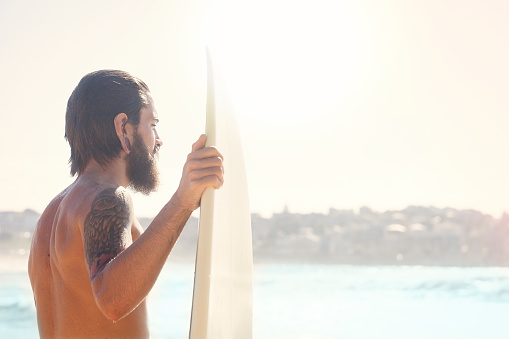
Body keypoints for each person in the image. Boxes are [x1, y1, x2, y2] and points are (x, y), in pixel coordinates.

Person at [28, 70, 224, 338]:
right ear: (123, 129)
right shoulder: (107, 198)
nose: (159, 140)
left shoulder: (47, 221)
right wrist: (182, 202)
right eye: (152, 124)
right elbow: (112, 300)